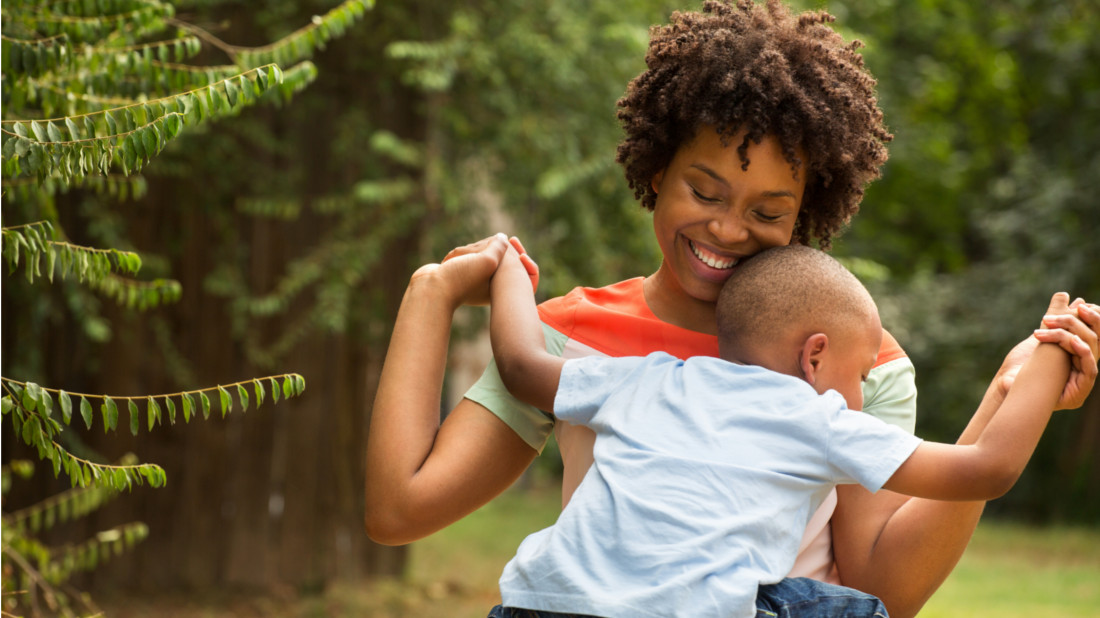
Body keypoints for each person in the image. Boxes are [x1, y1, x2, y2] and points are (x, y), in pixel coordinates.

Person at [363, 1, 1100, 615]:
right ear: (657, 168)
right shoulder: (576, 335)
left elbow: (884, 587)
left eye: (768, 211)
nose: (725, 229)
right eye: (704, 191)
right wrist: (430, 293)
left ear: (808, 212)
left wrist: (1002, 394)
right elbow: (400, 510)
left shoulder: (859, 357)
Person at [483, 243, 1071, 617]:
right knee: (862, 611)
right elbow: (987, 469)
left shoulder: (648, 377)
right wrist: (1050, 353)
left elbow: (520, 367)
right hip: (684, 611)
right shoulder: (816, 419)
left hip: (537, 601)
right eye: (860, 373)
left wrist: (509, 267)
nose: (862, 395)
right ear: (813, 357)